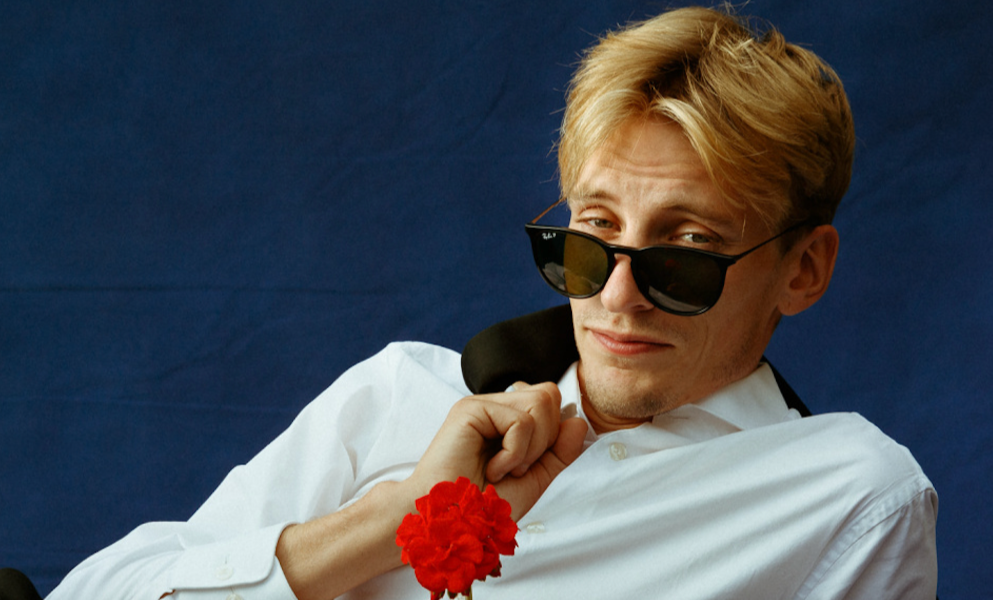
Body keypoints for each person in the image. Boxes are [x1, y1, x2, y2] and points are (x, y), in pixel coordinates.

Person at [47, 6, 936, 600]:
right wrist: (392, 518)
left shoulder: (850, 498)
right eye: (593, 234)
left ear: (803, 270)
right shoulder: (397, 394)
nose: (618, 295)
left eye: (687, 252)